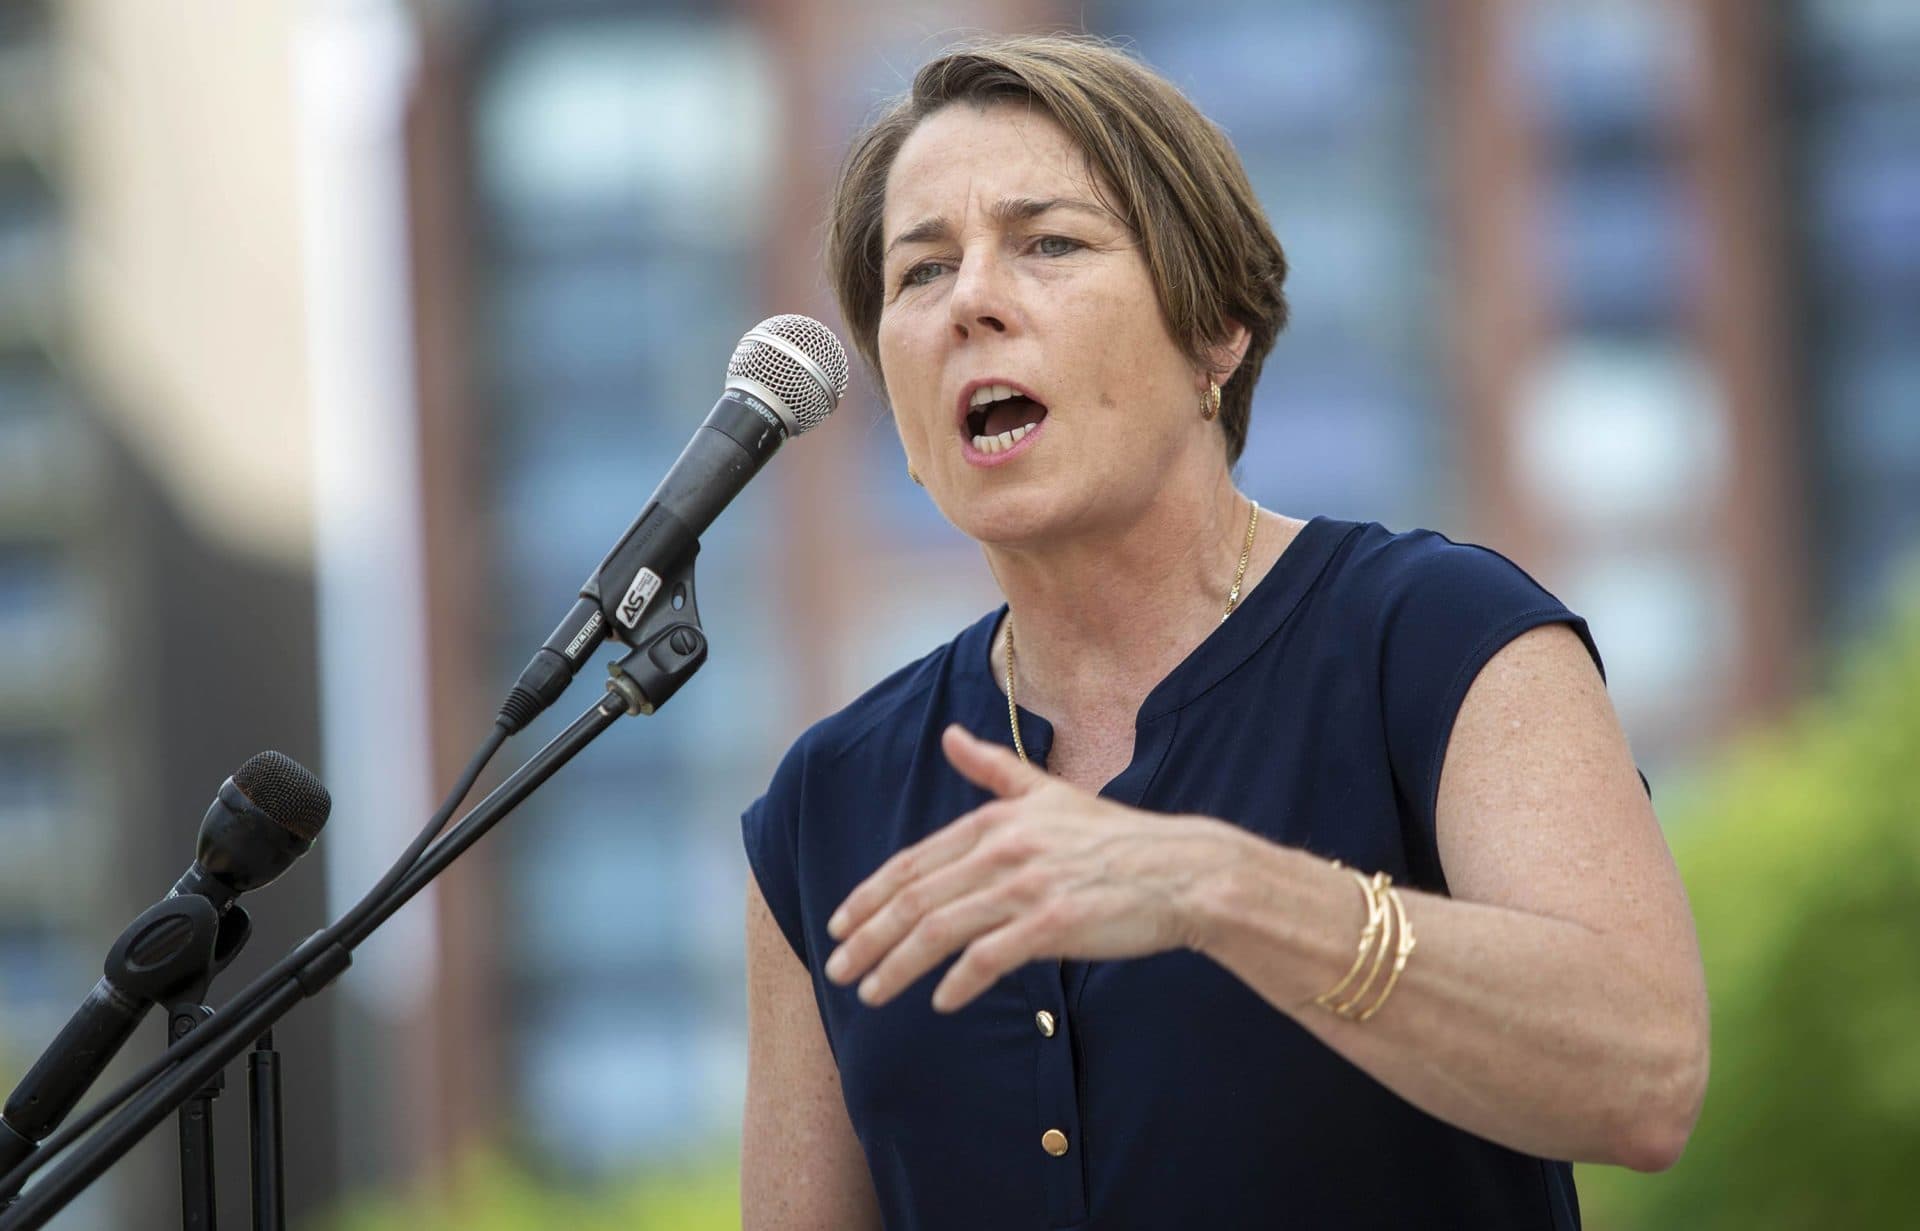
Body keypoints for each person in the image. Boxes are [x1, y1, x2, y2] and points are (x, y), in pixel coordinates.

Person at [740, 33, 1708, 1231]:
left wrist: (1216, 884)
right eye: (921, 272)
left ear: (1217, 332)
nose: (972, 302)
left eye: (1049, 243)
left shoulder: (1442, 639)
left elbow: (1643, 1077)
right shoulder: (827, 802)